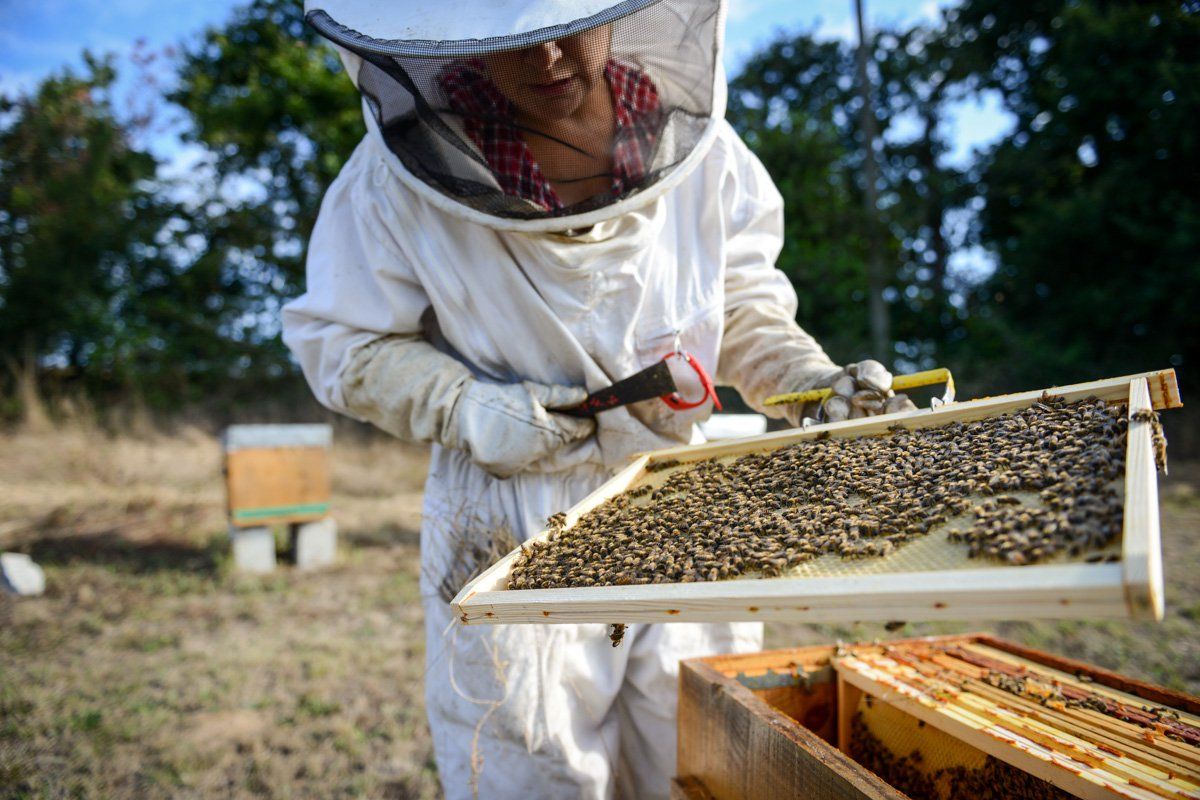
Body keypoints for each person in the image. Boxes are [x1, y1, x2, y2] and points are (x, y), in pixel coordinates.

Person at [283, 2, 913, 797]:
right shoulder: (392, 181)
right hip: (511, 518)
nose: (546, 56)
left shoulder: (707, 156)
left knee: (698, 754)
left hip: (685, 499)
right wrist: (461, 405)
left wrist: (808, 380)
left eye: (569, 21)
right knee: (533, 773)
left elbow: (745, 306)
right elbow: (339, 342)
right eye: (514, 40)